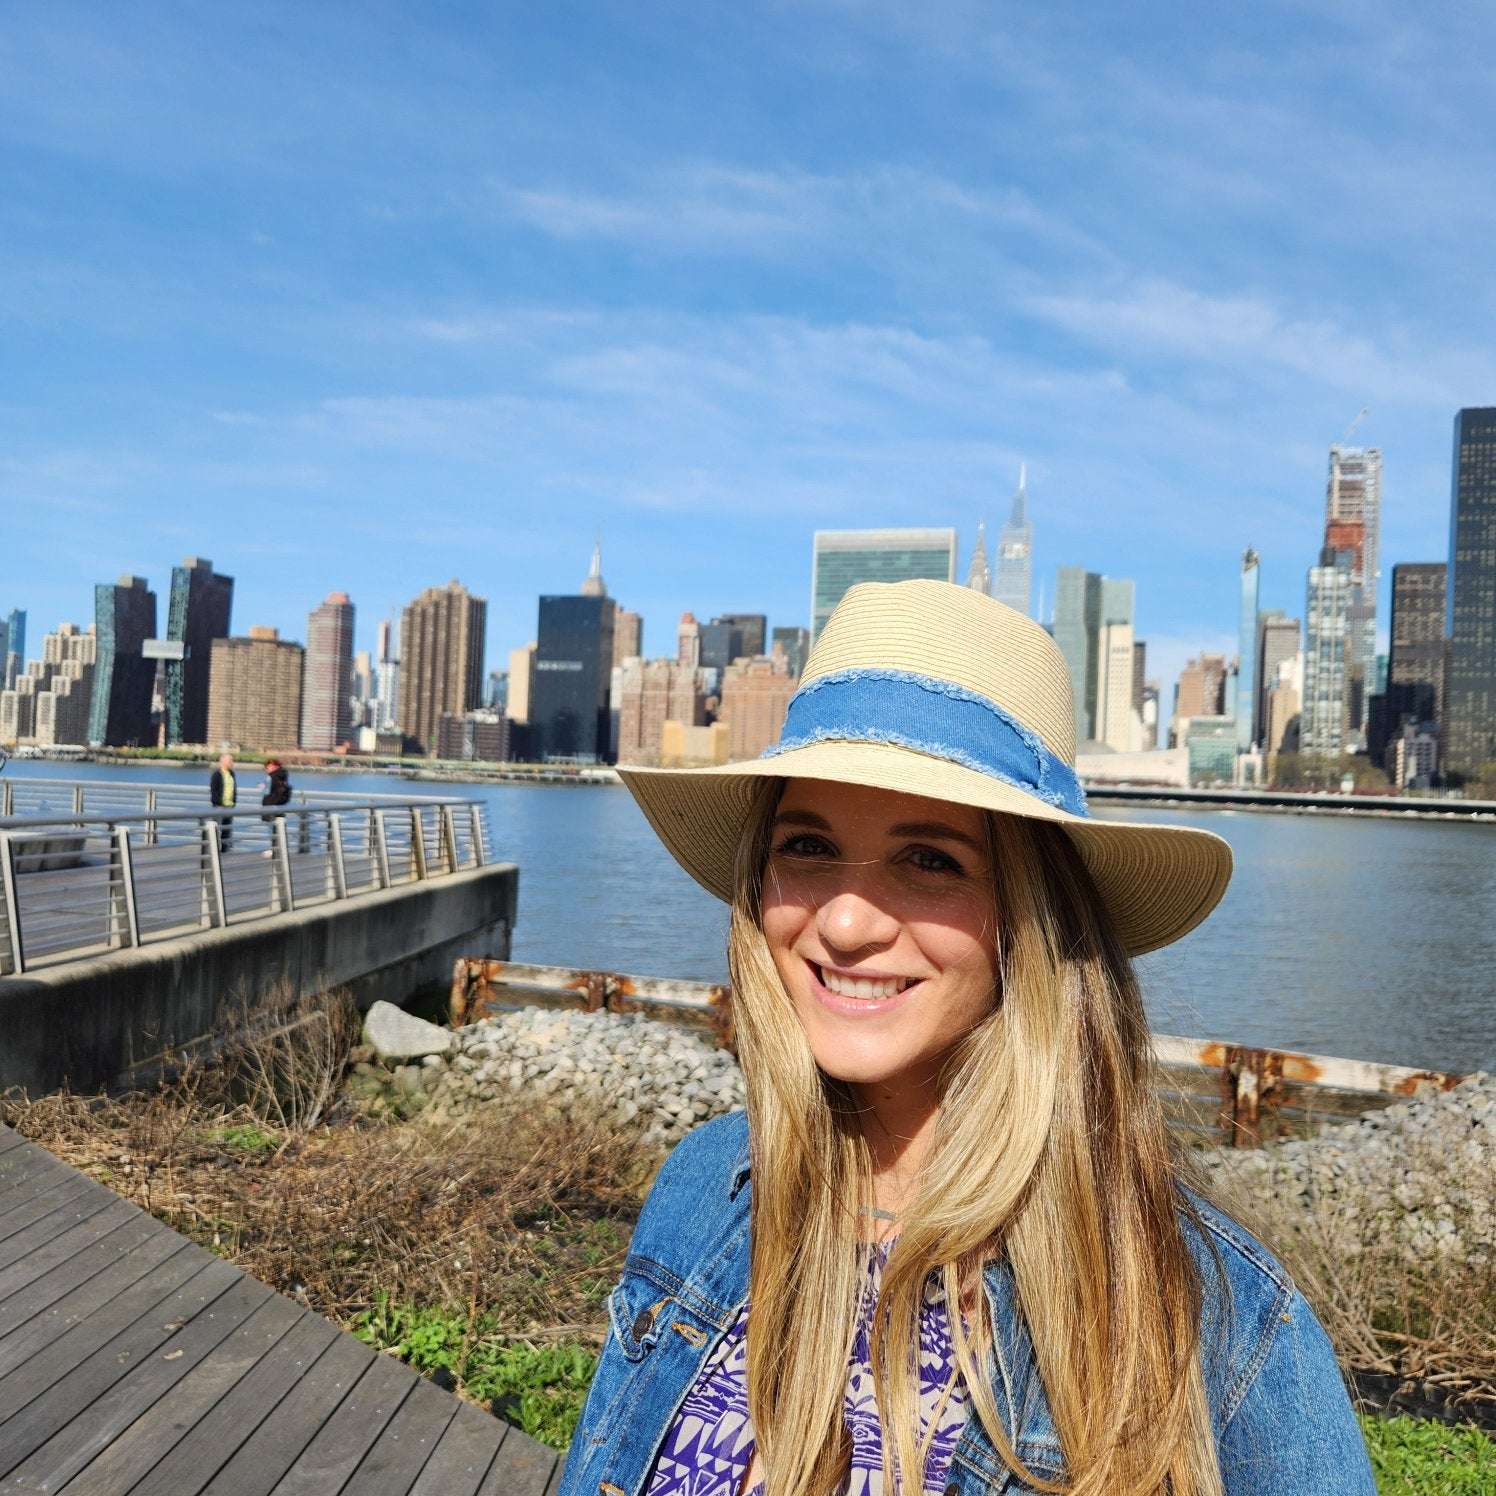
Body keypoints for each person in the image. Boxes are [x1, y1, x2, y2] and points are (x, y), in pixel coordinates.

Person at [560, 580, 1373, 1496]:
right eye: (807, 846)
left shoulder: (1220, 1328)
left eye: (929, 859)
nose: (846, 924)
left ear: (1032, 914)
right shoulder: (707, 1188)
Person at [208, 751, 236, 853]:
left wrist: (234, 802)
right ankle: (214, 850)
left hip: (229, 806)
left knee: (227, 829)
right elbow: (214, 790)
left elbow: (233, 789)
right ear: (223, 762)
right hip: (219, 806)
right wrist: (217, 803)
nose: (232, 763)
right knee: (217, 828)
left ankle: (224, 850)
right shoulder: (217, 774)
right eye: (230, 761)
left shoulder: (231, 774)